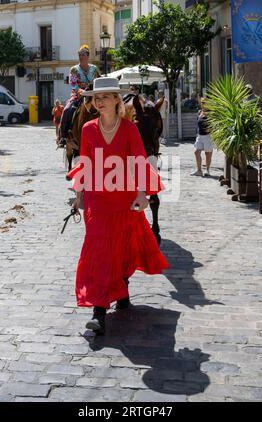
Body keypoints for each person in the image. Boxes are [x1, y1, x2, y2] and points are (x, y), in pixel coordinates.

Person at [67, 77, 169, 335]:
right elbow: (85, 163)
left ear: (116, 100)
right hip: (97, 200)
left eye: (105, 97)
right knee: (99, 250)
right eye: (96, 98)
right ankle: (98, 312)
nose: (99, 102)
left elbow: (139, 161)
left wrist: (143, 193)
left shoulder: (129, 129)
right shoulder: (88, 129)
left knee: (122, 247)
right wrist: (78, 194)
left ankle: (121, 290)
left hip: (124, 198)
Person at [191, 97, 213, 177]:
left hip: (208, 136)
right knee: (196, 152)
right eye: (202, 103)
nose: (203, 104)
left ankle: (207, 170)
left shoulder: (211, 113)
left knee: (208, 154)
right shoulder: (200, 112)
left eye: (205, 103)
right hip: (200, 135)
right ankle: (199, 170)